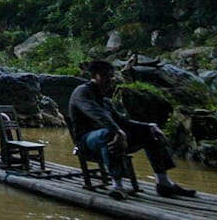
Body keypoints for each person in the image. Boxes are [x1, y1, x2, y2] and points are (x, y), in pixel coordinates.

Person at [69, 60, 197, 201]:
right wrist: (118, 131)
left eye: (112, 76)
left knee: (151, 134)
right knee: (110, 134)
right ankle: (117, 186)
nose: (110, 80)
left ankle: (164, 182)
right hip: (87, 142)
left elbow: (123, 121)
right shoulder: (81, 92)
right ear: (94, 75)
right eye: (106, 76)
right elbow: (96, 114)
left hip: (109, 136)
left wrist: (149, 126)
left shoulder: (105, 100)